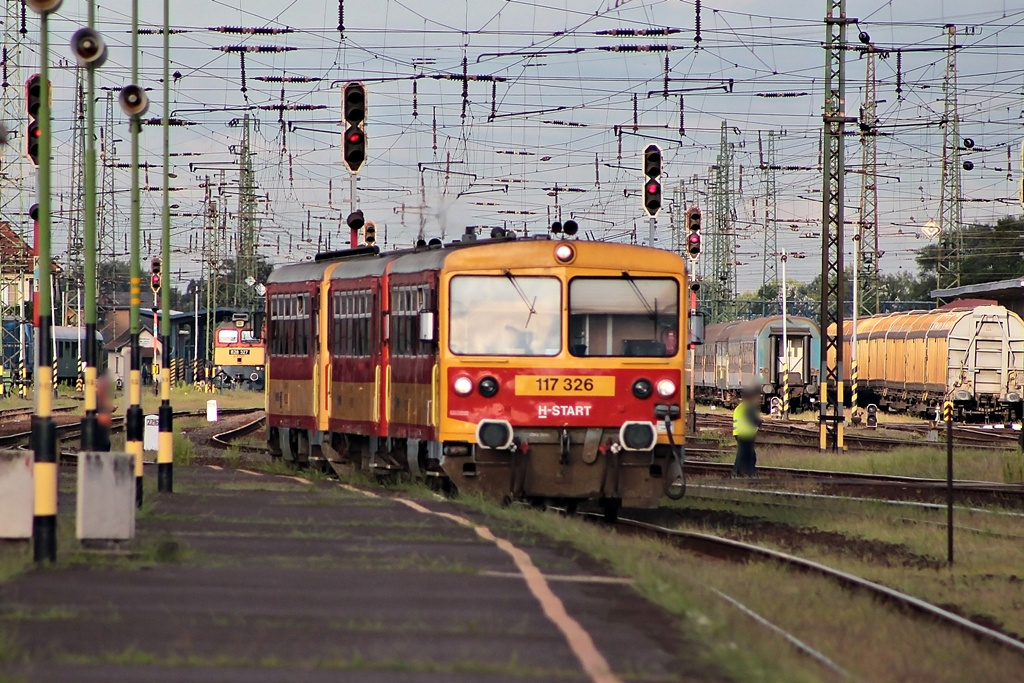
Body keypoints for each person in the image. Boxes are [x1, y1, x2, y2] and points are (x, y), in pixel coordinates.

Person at [732, 387, 763, 477]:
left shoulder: (740, 407)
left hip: (739, 433)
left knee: (747, 454)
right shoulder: (748, 407)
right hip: (746, 434)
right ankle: (738, 472)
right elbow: (753, 419)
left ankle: (749, 472)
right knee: (745, 454)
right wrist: (760, 422)